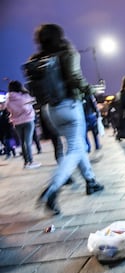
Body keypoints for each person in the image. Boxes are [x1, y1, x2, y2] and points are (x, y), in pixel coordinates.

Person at [32, 23, 104, 215]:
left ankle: (91, 181)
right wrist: (91, 90)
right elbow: (74, 77)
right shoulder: (67, 52)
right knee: (74, 147)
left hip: (50, 110)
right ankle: (52, 189)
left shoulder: (37, 59)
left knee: (75, 145)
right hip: (69, 106)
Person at [5, 80, 41, 169]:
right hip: (28, 120)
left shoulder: (8, 99)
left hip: (16, 122)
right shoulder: (24, 96)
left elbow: (8, 109)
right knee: (28, 142)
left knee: (23, 142)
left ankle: (26, 162)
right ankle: (31, 162)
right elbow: (31, 102)